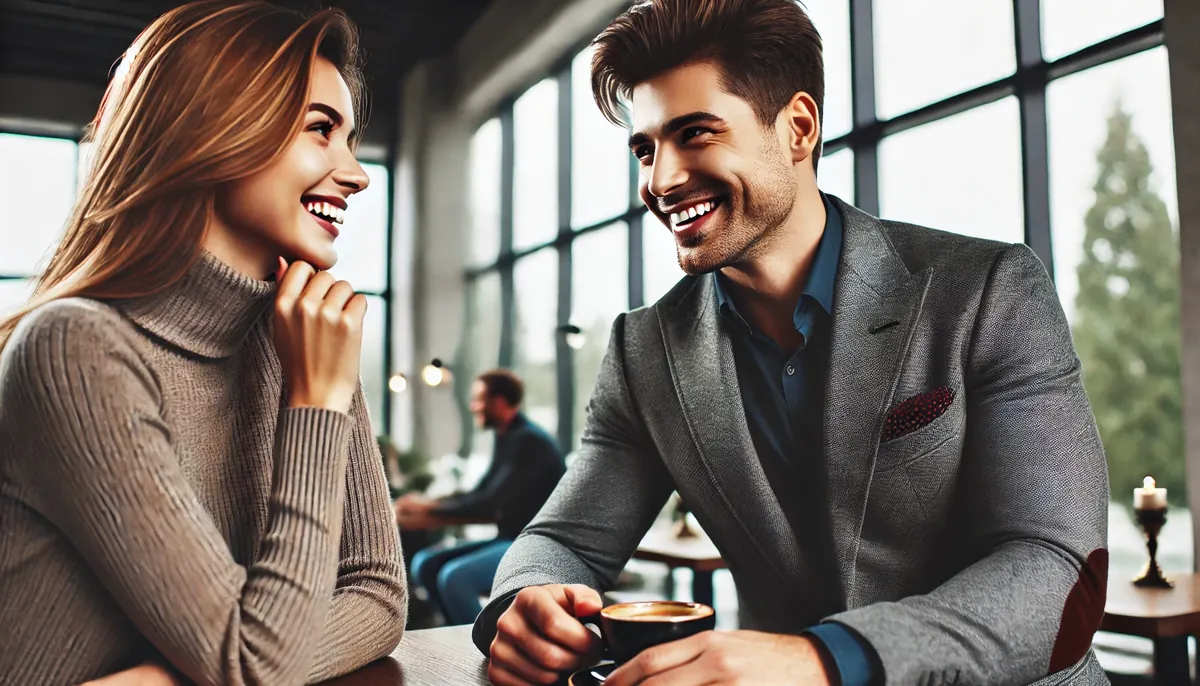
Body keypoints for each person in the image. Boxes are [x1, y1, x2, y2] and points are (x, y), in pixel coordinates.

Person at [473, 1, 1110, 685]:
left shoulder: (987, 291)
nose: (660, 181)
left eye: (695, 133)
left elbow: (1057, 568)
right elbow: (563, 539)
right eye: (646, 148)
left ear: (798, 128)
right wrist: (525, 599)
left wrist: (825, 659)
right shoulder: (645, 350)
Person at [0, 2, 406, 685]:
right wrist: (225, 665)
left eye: (352, 139)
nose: (356, 173)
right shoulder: (75, 349)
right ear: (215, 128)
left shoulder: (303, 338)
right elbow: (253, 663)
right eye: (320, 131)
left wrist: (167, 676)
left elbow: (378, 596)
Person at [396, 369, 566, 626]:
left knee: (455, 578)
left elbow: (490, 503)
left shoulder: (530, 442)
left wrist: (428, 511)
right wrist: (428, 505)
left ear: (497, 403)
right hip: (511, 538)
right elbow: (482, 493)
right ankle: (453, 633)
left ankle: (480, 645)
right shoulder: (507, 437)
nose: (473, 406)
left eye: (478, 399)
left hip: (537, 547)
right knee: (425, 564)